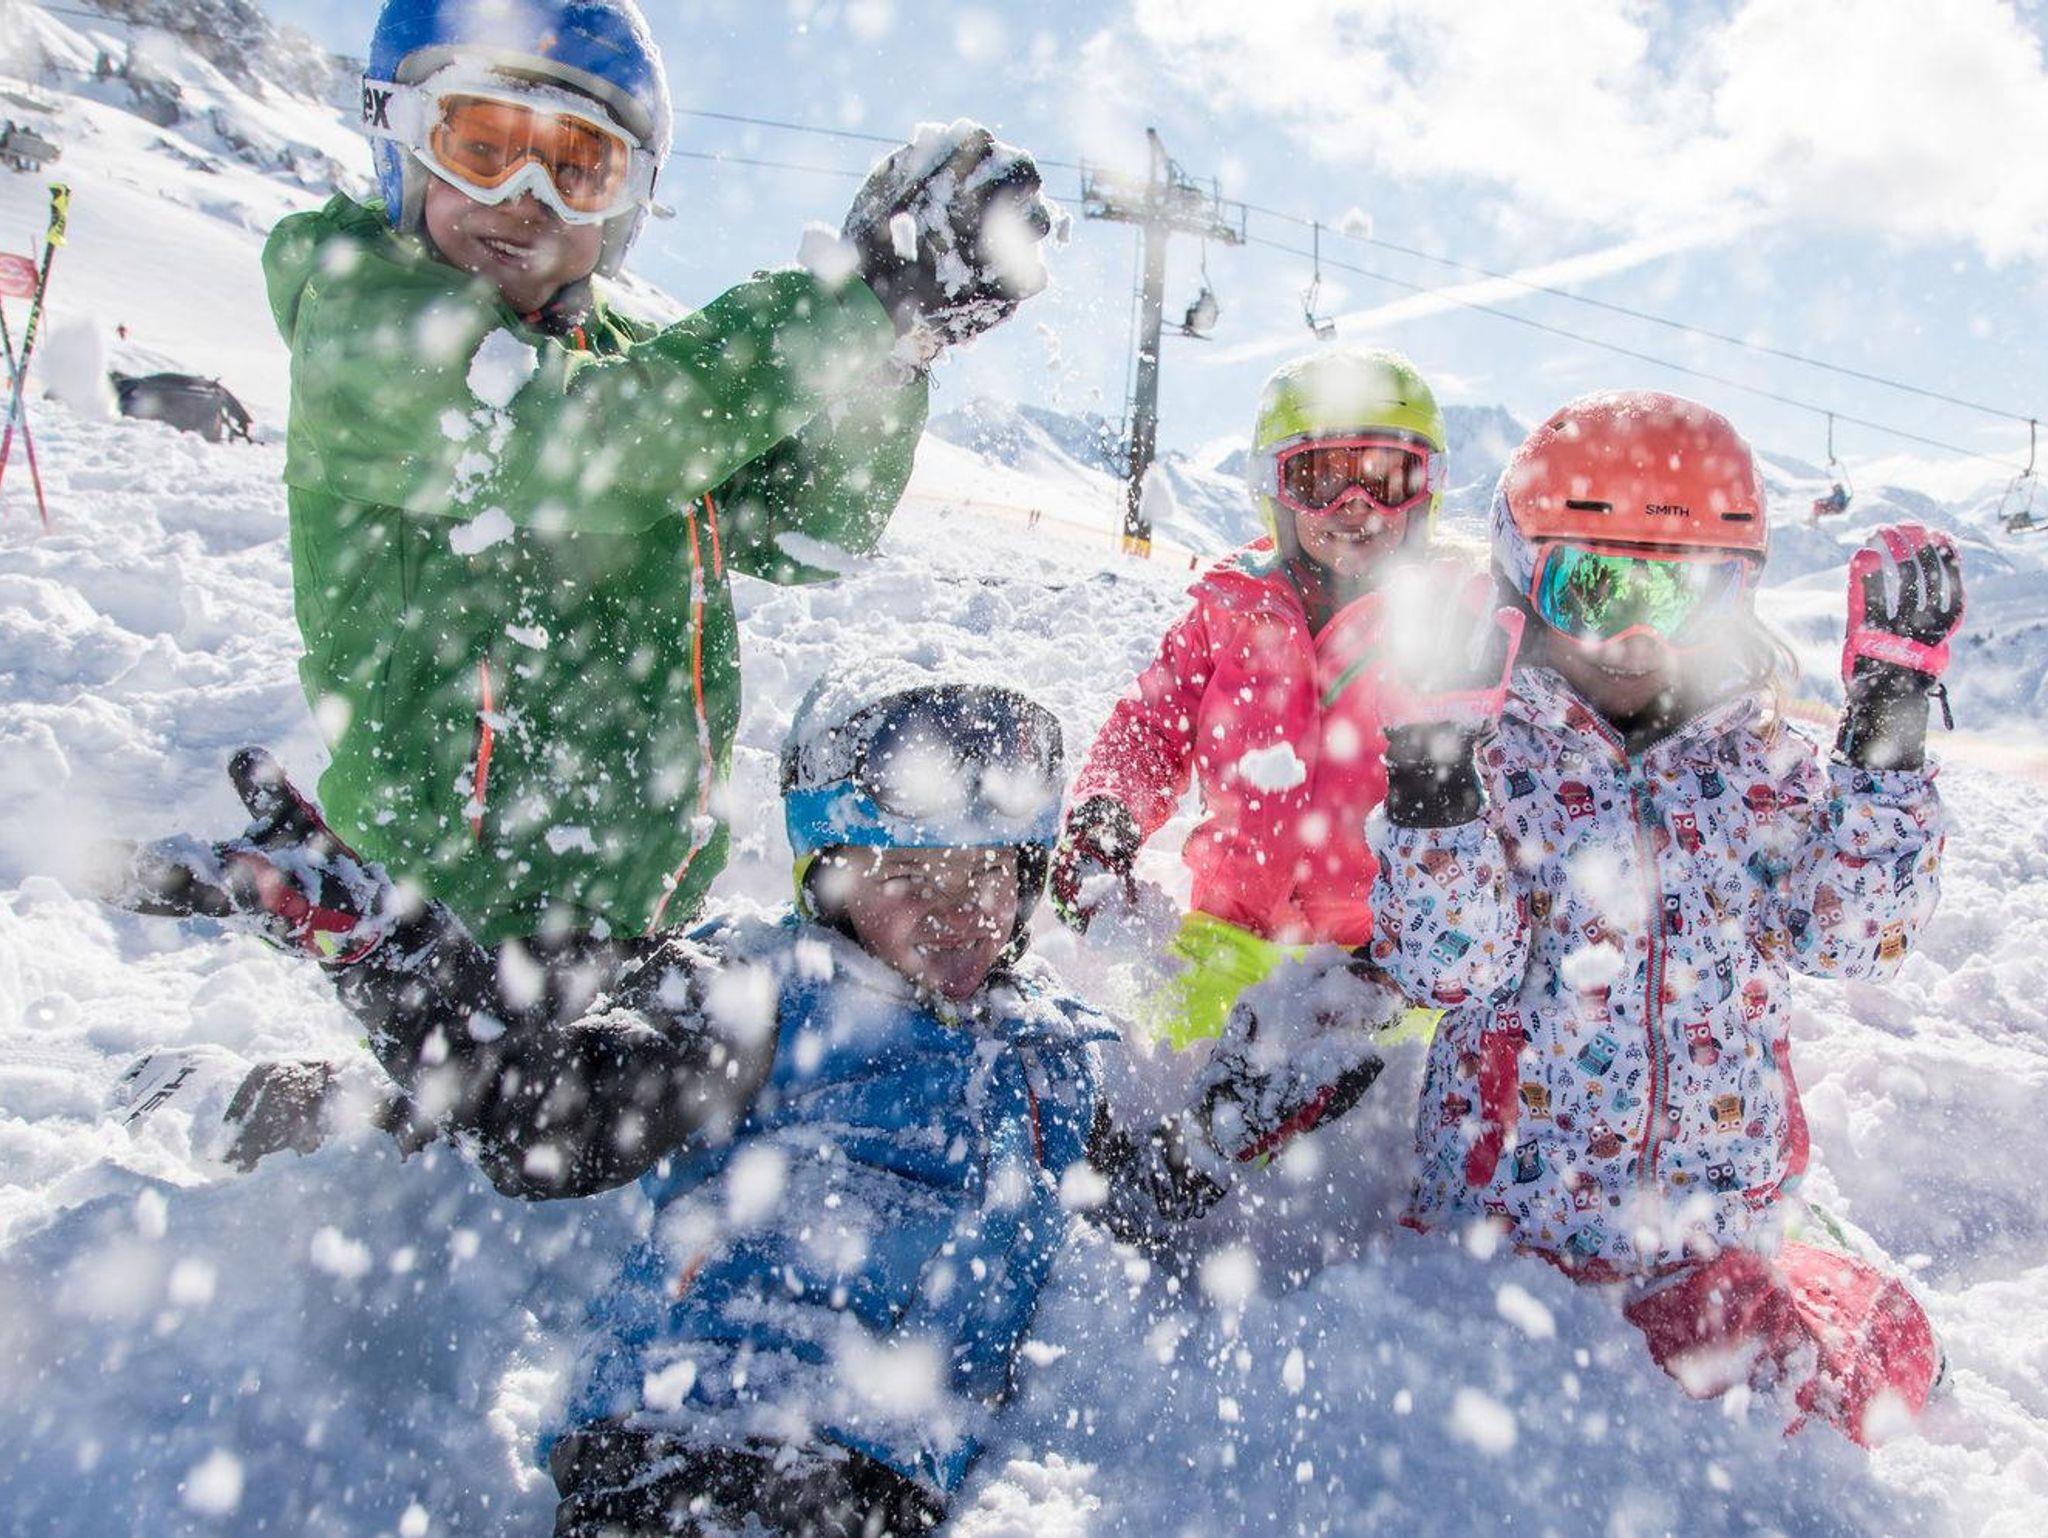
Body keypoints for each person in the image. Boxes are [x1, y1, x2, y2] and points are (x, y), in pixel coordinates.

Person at [104, 661, 1391, 1535]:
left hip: (883, 1479)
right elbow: (540, 1121)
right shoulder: (757, 994)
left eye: (985, 871)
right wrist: (385, 947)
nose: (952, 907)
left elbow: (1135, 1195)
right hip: (694, 1443)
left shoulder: (1055, 1052)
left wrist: (1232, 1115)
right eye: (902, 872)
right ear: (824, 877)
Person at [268, 0, 1054, 945]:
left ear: (627, 201)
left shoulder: (632, 364)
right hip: (442, 928)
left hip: (634, 923)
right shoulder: (365, 324)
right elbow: (590, 447)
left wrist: (890, 353)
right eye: (481, 147)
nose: (526, 198)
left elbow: (812, 527)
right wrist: (854, 305)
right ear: (399, 139)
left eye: (577, 169)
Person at [1364, 390, 1965, 1444]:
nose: (1637, 637)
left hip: (1707, 1242)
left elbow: (1854, 935)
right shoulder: (1497, 755)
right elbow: (1446, 965)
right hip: (1509, 1239)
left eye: (1686, 591)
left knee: (1805, 1398)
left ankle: (1809, 1288)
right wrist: (1435, 773)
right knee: (1541, 1432)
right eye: (1593, 586)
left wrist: (1888, 721)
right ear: (1521, 577)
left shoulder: (1758, 766)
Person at [1050, 347, 1444, 1049]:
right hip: (1226, 938)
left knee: (1377, 1108)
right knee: (1172, 1086)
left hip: (1378, 961)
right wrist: (1108, 813)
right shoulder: (1230, 611)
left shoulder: (1445, 630)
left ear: (1424, 491)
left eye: (1386, 478)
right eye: (1323, 478)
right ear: (1278, 491)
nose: (1356, 505)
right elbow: (1150, 728)